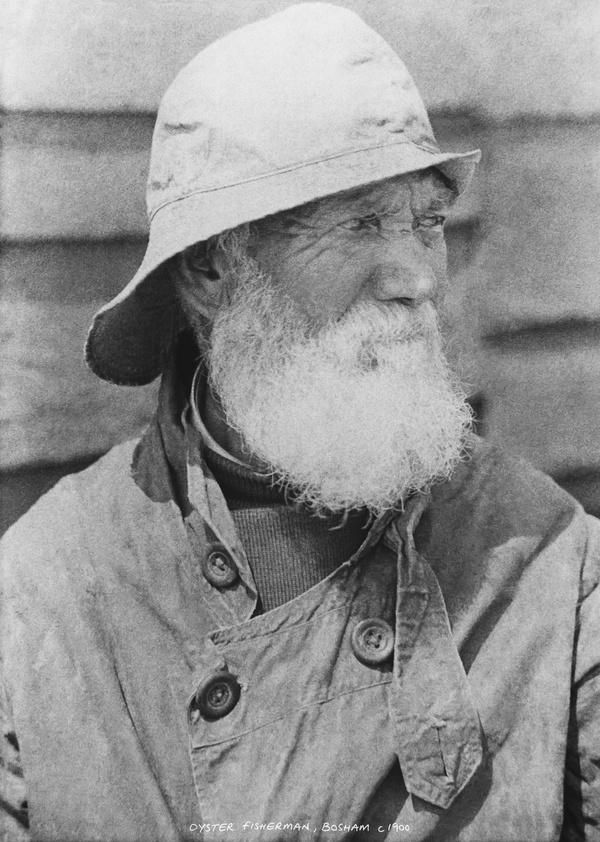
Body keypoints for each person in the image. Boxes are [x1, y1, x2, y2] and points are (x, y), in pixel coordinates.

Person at [1, 4, 599, 841]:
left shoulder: (553, 563)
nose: (419, 279)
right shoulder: (46, 591)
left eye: (424, 222)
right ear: (213, 267)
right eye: (359, 224)